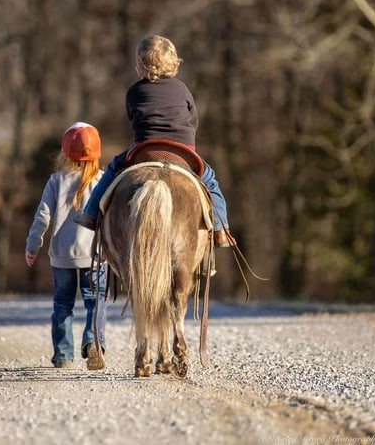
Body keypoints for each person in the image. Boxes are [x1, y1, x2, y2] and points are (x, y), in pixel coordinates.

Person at [75, 35, 233, 247]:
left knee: (113, 168)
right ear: (174, 64)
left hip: (145, 149)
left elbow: (133, 119)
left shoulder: (133, 91)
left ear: (140, 67)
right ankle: (220, 230)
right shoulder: (183, 89)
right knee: (210, 180)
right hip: (181, 151)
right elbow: (192, 121)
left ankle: (91, 214)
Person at [25, 122, 107, 369]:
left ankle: (63, 355)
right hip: (94, 255)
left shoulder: (55, 181)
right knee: (96, 299)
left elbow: (43, 215)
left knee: (63, 305)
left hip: (61, 256)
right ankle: (93, 341)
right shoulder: (102, 181)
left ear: (65, 152)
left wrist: (33, 244)